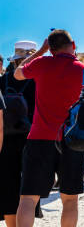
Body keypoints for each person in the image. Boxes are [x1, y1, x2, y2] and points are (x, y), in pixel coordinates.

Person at [13, 31, 84, 227]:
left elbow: (17, 72)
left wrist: (40, 51)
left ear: (51, 48)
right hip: (72, 140)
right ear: (73, 44)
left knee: (28, 199)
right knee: (70, 200)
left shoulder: (41, 64)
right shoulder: (83, 69)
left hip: (39, 138)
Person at [0, 41, 40, 227]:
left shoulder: (2, 81)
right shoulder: (38, 82)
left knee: (8, 186)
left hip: (5, 140)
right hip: (31, 139)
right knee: (28, 192)